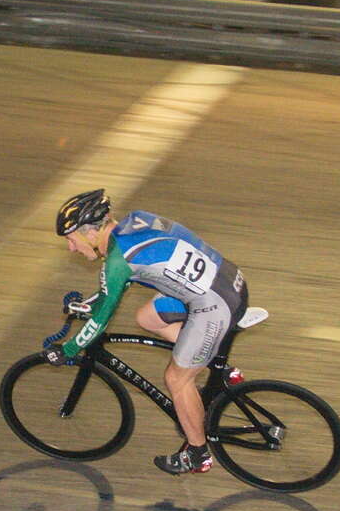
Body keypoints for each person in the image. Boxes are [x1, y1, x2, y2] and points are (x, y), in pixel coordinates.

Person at [51, 188, 247, 475]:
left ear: (90, 233)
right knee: (147, 317)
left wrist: (67, 350)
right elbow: (116, 287)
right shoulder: (136, 221)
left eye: (71, 239)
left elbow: (102, 319)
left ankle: (197, 454)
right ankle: (219, 369)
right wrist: (88, 304)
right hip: (227, 280)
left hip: (216, 304)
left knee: (176, 379)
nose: (71, 248)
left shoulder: (117, 261)